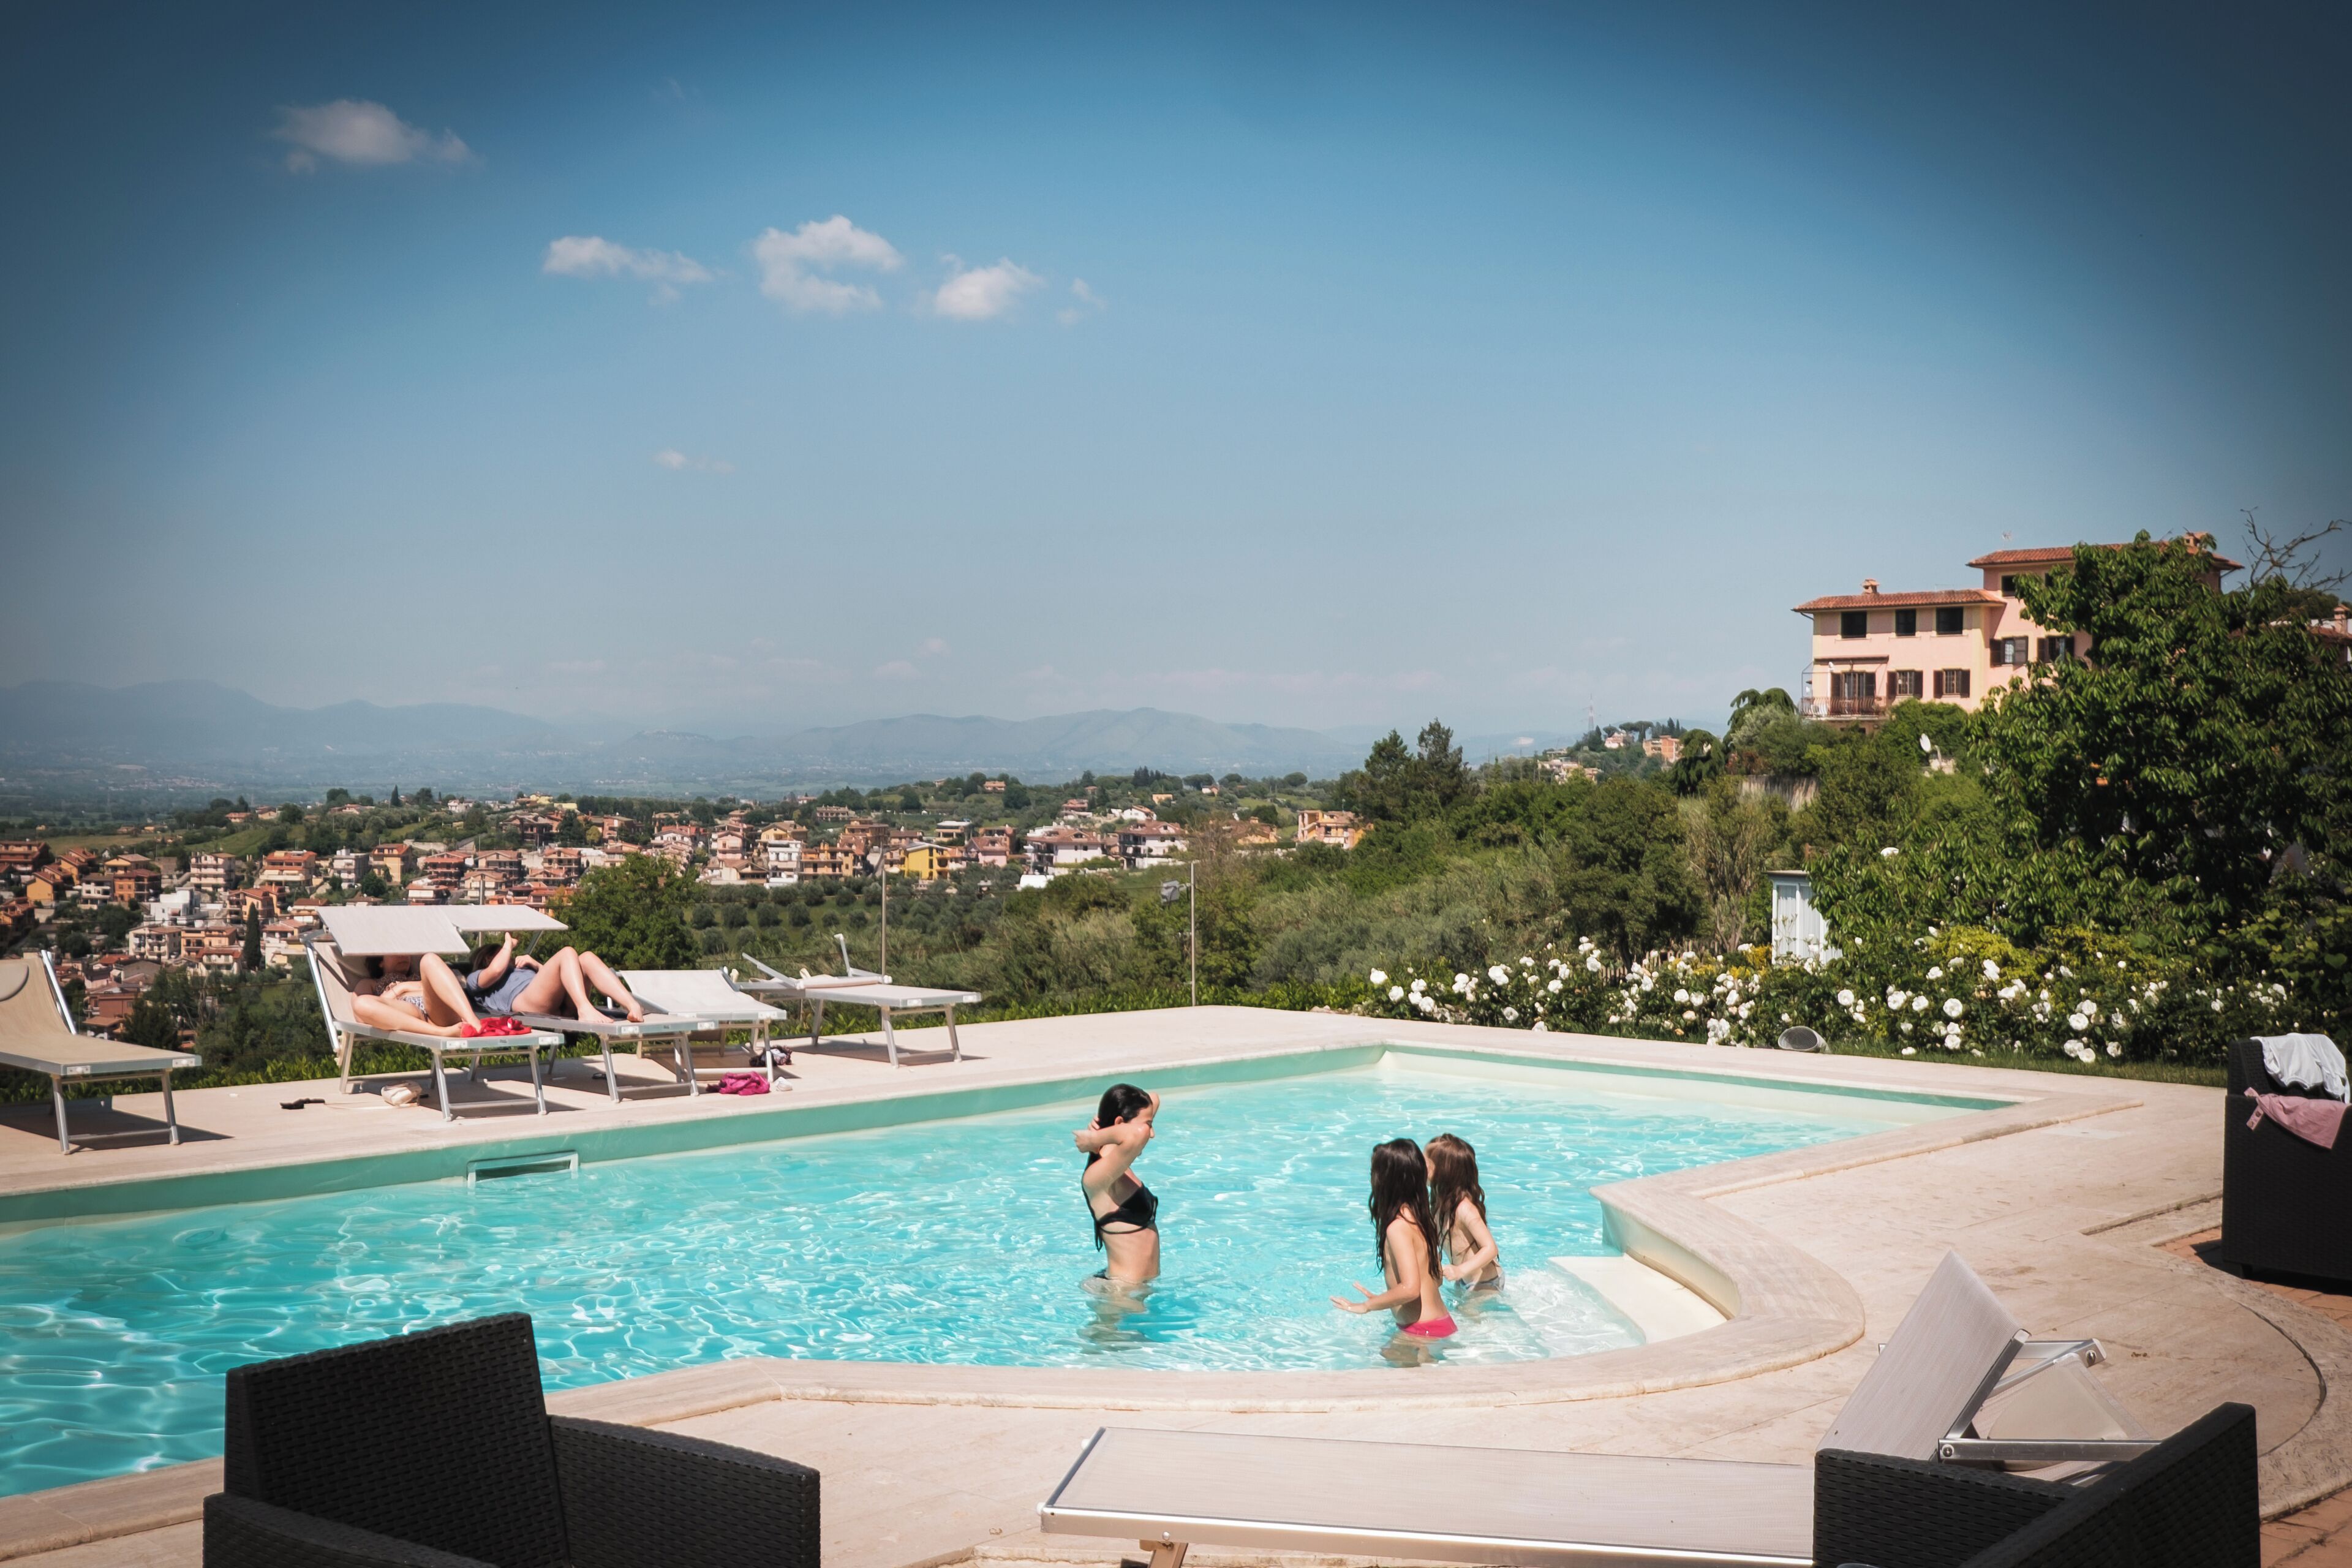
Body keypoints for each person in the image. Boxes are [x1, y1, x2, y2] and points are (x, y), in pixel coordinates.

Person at [1331, 1137, 1455, 1339]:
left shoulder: (1398, 1227)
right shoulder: (1422, 1221)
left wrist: (1367, 1306)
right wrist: (1385, 1299)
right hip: (1440, 1323)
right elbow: (1436, 1280)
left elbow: (1411, 1289)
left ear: (1385, 1181)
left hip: (1422, 1332)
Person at [1074, 1083, 1160, 1285]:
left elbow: (1154, 1097)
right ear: (1120, 1122)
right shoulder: (1097, 1177)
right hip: (1119, 1293)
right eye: (1148, 1125)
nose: (1151, 1134)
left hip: (1137, 1288)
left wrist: (1100, 1134)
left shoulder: (1119, 1163)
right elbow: (1135, 1134)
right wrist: (1094, 1139)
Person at [464, 933, 646, 1023]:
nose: (510, 957)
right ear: (488, 958)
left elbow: (564, 975)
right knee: (567, 952)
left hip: (557, 1003)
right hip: (524, 1001)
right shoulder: (476, 978)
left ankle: (632, 1005)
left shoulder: (521, 969)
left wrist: (536, 965)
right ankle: (585, 1009)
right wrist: (507, 945)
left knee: (586, 958)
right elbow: (496, 970)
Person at [348, 952, 485, 1038]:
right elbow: (359, 1014)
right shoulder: (371, 983)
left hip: (438, 1011)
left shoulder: (420, 975)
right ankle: (439, 1033)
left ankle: (474, 1023)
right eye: (396, 952)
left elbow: (444, 990)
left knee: (429, 958)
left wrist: (403, 987)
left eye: (407, 952)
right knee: (361, 1004)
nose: (403, 956)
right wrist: (393, 996)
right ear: (380, 961)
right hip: (410, 1016)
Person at [1427, 1133, 1502, 1289]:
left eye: (1425, 1163)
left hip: (1484, 1283)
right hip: (1464, 1279)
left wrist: (1460, 1270)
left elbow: (1490, 1248)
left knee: (1467, 1313)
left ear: (1444, 1172)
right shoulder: (1438, 1204)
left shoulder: (1465, 1209)